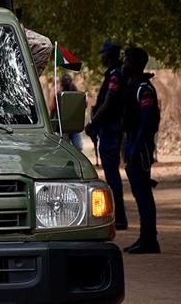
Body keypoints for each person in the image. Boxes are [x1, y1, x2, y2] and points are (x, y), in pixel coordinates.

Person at [85, 41, 129, 230]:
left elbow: (109, 101)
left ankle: (119, 217)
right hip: (108, 128)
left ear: (109, 54)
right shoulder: (114, 73)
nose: (101, 57)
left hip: (111, 129)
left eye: (104, 54)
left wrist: (94, 122)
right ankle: (119, 217)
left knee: (112, 175)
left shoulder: (115, 75)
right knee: (111, 173)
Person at [121, 47, 161, 254]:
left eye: (126, 60)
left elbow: (146, 121)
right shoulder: (134, 86)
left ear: (135, 63)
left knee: (143, 194)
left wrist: (136, 147)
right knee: (140, 193)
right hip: (134, 144)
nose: (124, 64)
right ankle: (145, 237)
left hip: (141, 146)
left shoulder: (143, 89)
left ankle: (149, 240)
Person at [50, 74, 83, 150]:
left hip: (75, 126)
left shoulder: (78, 95)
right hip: (63, 127)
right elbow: (53, 110)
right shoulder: (58, 95)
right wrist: (51, 124)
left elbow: (82, 108)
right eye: (64, 81)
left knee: (78, 147)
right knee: (65, 148)